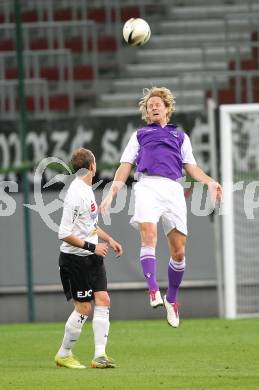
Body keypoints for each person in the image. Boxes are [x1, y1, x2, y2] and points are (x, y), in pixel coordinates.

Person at [100, 87, 222, 328]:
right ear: (146, 112)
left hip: (173, 189)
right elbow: (124, 166)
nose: (153, 107)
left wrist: (210, 182)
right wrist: (111, 192)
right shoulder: (140, 135)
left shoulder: (180, 136)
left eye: (158, 104)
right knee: (148, 234)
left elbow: (191, 167)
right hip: (147, 186)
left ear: (167, 109)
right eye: (150, 105)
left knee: (179, 252)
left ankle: (172, 299)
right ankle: (153, 289)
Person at [55, 148, 123, 369]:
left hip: (91, 257)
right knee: (84, 309)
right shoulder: (75, 194)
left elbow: (89, 226)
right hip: (75, 260)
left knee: (103, 300)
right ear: (92, 166)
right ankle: (64, 354)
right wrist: (92, 247)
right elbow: (64, 232)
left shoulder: (86, 190)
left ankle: (99, 356)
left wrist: (110, 239)